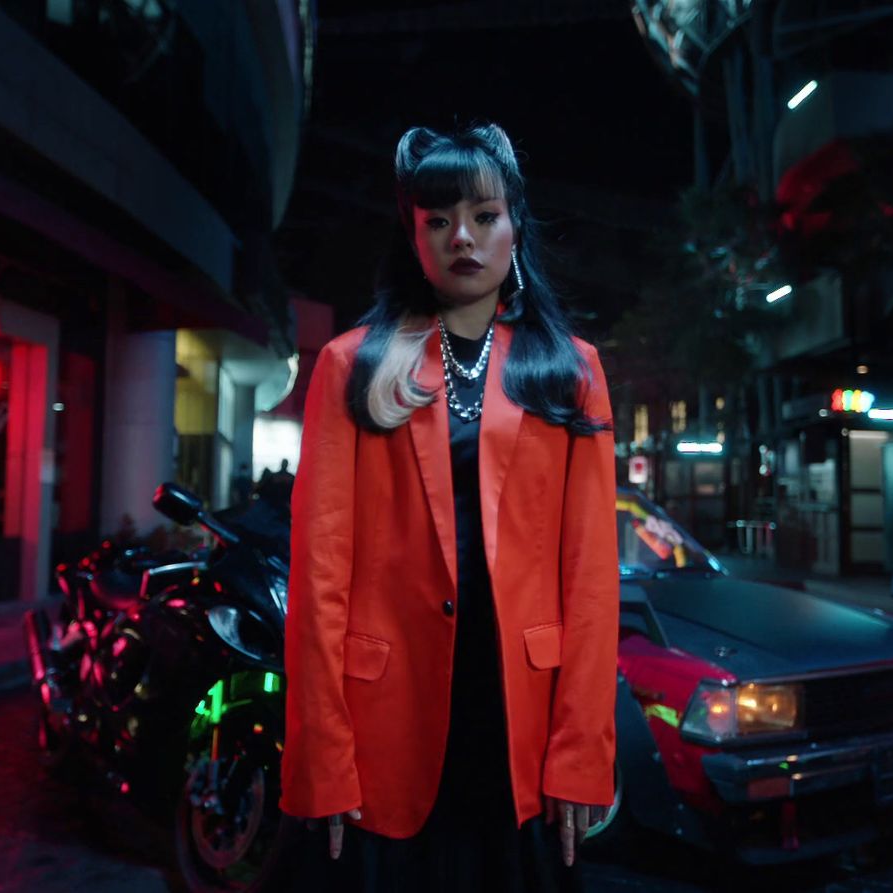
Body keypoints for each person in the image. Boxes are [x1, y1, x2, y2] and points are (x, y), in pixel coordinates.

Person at [281, 123, 619, 892]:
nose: (460, 236)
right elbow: (319, 576)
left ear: (514, 225)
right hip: (384, 726)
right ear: (412, 236)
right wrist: (322, 759)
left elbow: (593, 582)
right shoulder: (353, 364)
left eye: (482, 215)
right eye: (436, 220)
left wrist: (580, 753)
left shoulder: (569, 371)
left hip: (520, 724)